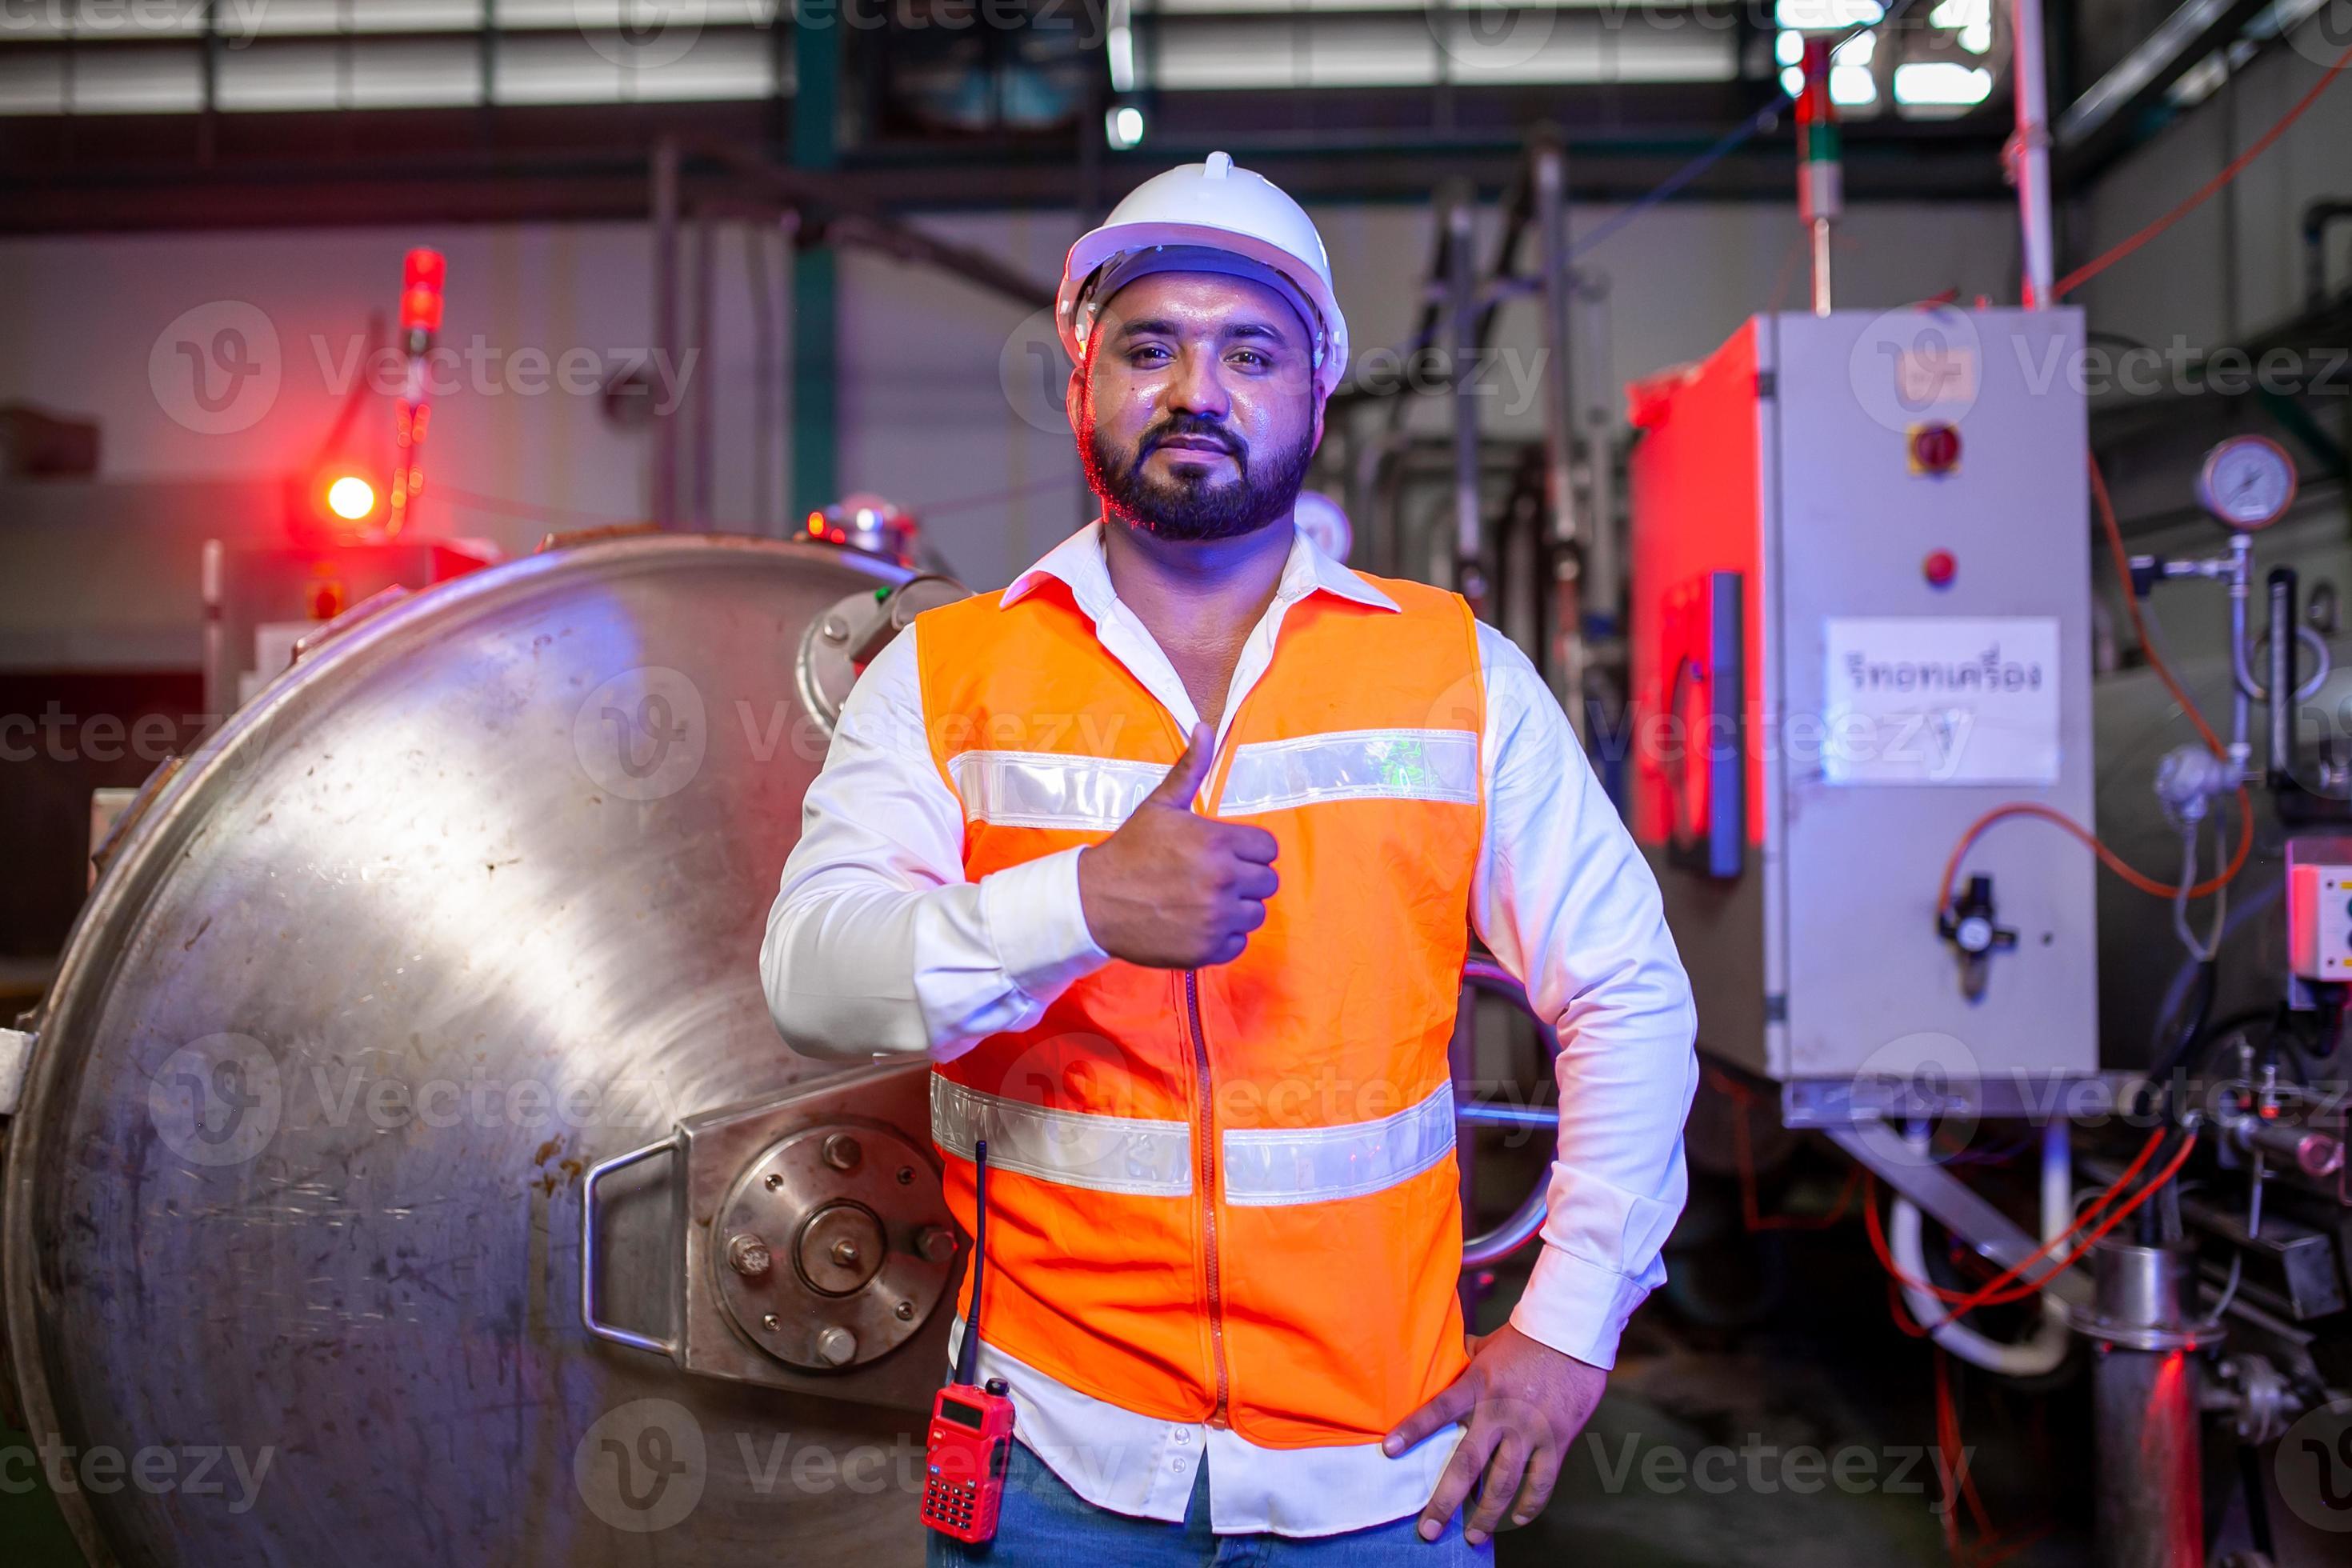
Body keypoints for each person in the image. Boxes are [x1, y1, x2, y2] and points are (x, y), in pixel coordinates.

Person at [762, 150, 1697, 1565]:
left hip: (1382, 1476)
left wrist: (1569, 1327)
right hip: (1054, 1466)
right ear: (1083, 379)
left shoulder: (1455, 674)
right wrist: (1076, 903)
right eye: (1151, 346)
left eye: (1249, 352)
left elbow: (1628, 993)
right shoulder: (944, 673)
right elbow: (812, 980)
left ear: (1316, 393)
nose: (1199, 391)